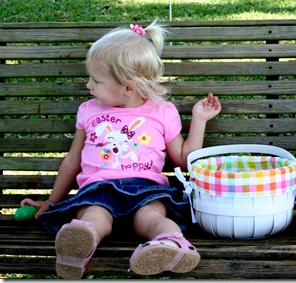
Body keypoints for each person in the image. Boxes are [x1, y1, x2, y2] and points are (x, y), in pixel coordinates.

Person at [20, 21, 221, 279]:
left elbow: (183, 160)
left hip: (146, 189)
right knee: (93, 214)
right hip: (98, 189)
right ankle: (80, 244)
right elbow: (73, 160)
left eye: (96, 80)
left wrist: (200, 120)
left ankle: (170, 244)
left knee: (151, 217)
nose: (88, 86)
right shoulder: (89, 110)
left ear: (128, 87)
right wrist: (52, 201)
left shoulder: (161, 111)